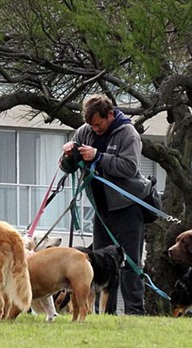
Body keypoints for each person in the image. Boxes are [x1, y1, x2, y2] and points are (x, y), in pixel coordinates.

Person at [60, 94, 146, 315]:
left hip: (128, 206)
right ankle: (102, 311)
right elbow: (67, 167)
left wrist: (99, 156)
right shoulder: (84, 132)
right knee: (99, 261)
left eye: (98, 124)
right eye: (91, 125)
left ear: (110, 115)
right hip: (101, 208)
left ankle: (135, 311)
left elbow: (130, 168)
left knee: (130, 262)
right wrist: (69, 156)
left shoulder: (128, 133)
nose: (95, 128)